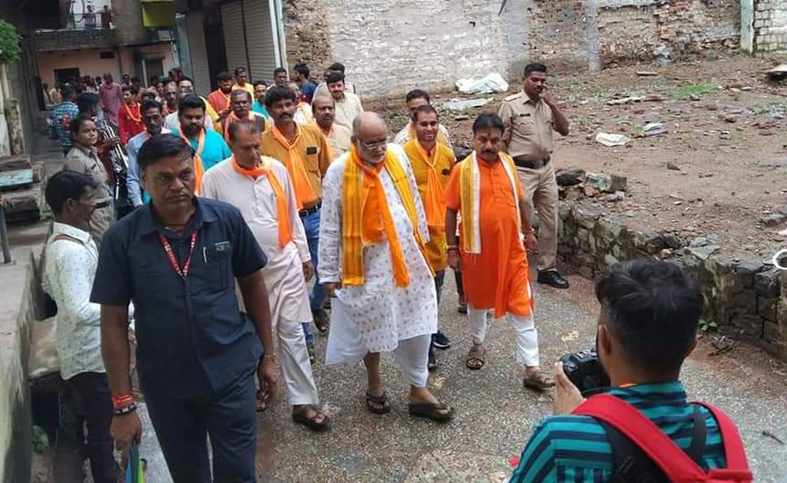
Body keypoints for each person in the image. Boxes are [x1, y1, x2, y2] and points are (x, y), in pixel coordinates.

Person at [91, 134, 277, 482]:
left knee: (239, 473)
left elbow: (253, 285)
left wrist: (267, 356)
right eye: (164, 178)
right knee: (189, 475)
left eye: (184, 174)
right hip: (167, 385)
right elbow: (112, 323)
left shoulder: (225, 220)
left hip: (231, 373)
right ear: (143, 179)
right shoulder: (122, 239)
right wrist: (123, 405)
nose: (177, 185)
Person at [511, 260, 748, 481]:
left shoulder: (560, 443)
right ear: (690, 347)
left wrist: (570, 426)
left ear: (604, 340)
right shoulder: (722, 433)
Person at [320, 112, 453, 422]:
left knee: (420, 320)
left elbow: (413, 199)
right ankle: (375, 382)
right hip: (367, 265)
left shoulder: (397, 155)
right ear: (354, 141)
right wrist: (328, 272)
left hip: (407, 257)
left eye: (382, 140)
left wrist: (423, 240)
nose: (379, 148)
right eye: (371, 143)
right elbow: (330, 224)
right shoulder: (339, 171)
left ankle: (418, 389)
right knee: (374, 324)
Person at [203, 120, 329, 430]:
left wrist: (303, 254)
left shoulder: (276, 169)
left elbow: (291, 214)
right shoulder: (214, 178)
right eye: (246, 148)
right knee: (251, 338)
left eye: (257, 146)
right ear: (231, 145)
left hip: (285, 263)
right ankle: (261, 389)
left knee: (293, 332)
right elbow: (210, 229)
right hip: (243, 276)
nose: (254, 153)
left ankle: (302, 402)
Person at [444, 113, 552, 390]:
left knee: (522, 306)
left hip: (512, 251)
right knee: (478, 304)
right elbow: (451, 210)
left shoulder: (508, 164)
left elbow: (520, 201)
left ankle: (532, 367)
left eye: (494, 140)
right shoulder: (462, 170)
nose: (489, 146)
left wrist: (528, 231)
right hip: (477, 254)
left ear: (502, 140)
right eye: (483, 140)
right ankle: (477, 344)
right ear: (473, 139)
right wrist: (451, 248)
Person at [42, 170, 118, 483]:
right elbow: (79, 310)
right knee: (103, 428)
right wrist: (124, 311)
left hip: (85, 348)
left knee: (102, 424)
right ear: (70, 204)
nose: (94, 204)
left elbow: (48, 285)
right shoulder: (69, 251)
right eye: (89, 199)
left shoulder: (63, 241)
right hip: (88, 356)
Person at [261, 86, 332, 358]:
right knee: (295, 281)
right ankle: (306, 341)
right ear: (269, 110)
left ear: (296, 105)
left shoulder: (313, 133)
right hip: (284, 221)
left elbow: (329, 170)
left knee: (325, 272)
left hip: (316, 215)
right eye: (278, 106)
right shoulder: (263, 143)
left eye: (288, 104)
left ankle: (316, 305)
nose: (285, 110)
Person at [498, 62, 570, 290]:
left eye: (543, 80)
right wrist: (507, 169)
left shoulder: (547, 105)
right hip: (521, 170)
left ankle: (547, 269)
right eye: (535, 80)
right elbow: (500, 140)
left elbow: (565, 130)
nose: (539, 84)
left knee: (550, 220)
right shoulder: (511, 105)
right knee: (521, 220)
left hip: (546, 169)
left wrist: (554, 105)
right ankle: (516, 269)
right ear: (525, 80)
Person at [402, 105, 455, 370]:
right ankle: (424, 347)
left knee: (437, 287)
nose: (430, 129)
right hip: (416, 236)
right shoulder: (403, 155)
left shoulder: (446, 155)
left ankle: (431, 330)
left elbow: (453, 195)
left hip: (440, 234)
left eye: (433, 123)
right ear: (414, 125)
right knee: (420, 290)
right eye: (424, 124)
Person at [63, 115, 116, 246]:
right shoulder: (76, 159)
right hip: (94, 216)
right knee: (102, 248)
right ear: (75, 135)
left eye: (94, 130)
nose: (92, 134)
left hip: (107, 208)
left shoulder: (92, 153)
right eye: (86, 131)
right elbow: (76, 192)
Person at [175, 94, 231, 193]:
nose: (193, 121)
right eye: (188, 117)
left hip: (215, 196)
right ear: (179, 117)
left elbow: (229, 168)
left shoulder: (216, 139)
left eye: (198, 117)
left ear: (204, 117)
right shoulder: (170, 141)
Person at [127, 99, 169, 207]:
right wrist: (137, 203)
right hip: (149, 197)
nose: (152, 122)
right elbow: (133, 176)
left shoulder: (172, 137)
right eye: (148, 118)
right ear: (142, 120)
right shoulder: (135, 143)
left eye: (155, 117)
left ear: (162, 117)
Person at [52, 85, 79, 154]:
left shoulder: (55, 112)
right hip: (76, 144)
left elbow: (54, 133)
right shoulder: (76, 110)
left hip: (64, 145)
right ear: (71, 94)